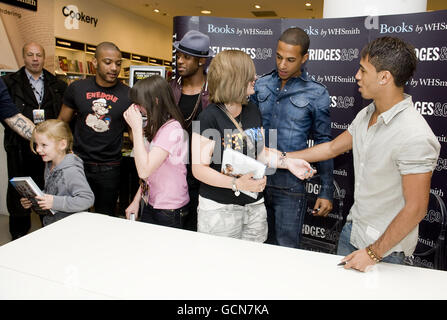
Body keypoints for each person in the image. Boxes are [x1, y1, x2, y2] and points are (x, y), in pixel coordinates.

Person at [288, 36, 440, 272]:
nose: (357, 76)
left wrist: (372, 253)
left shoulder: (415, 134)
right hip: (352, 232)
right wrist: (282, 157)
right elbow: (331, 148)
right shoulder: (366, 114)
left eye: (362, 70)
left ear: (384, 77)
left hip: (386, 251)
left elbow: (416, 208)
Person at [192, 49, 315, 242]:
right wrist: (236, 184)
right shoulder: (208, 117)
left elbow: (260, 152)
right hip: (220, 210)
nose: (255, 78)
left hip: (254, 207)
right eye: (249, 74)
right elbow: (199, 169)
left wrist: (288, 162)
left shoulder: (252, 111)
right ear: (234, 79)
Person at [251, 27, 334, 249]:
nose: (282, 65)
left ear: (304, 58)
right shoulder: (260, 84)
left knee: (286, 250)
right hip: (255, 180)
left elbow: (324, 143)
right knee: (253, 246)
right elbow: (247, 131)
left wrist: (326, 191)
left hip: (290, 186)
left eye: (290, 59)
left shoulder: (317, 93)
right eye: (278, 57)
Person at [2, 42, 67, 240]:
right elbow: (9, 116)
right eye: (30, 54)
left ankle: (49, 237)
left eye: (38, 55)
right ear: (24, 57)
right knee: (19, 197)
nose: (35, 59)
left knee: (48, 193)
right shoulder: (8, 83)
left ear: (44, 57)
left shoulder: (58, 84)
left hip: (51, 152)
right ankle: (19, 237)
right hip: (19, 150)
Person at [58, 42, 131, 216]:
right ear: (95, 62)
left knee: (104, 217)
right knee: (74, 215)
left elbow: (134, 131)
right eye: (108, 62)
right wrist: (63, 154)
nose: (114, 68)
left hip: (110, 167)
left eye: (118, 63)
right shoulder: (77, 88)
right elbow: (62, 122)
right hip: (79, 163)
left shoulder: (128, 94)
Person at [124, 75, 189, 228]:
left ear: (156, 101)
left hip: (169, 209)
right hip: (152, 202)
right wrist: (136, 201)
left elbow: (144, 170)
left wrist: (137, 129)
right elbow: (149, 174)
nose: (137, 108)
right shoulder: (156, 127)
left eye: (140, 103)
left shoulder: (172, 129)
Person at [170, 30, 212, 231]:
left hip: (203, 173)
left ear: (201, 61)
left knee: (199, 229)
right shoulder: (170, 89)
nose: (180, 61)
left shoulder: (213, 93)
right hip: (173, 172)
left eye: (187, 57)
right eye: (178, 56)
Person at [19, 119, 94, 226]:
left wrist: (54, 202)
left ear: (62, 144)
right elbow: (53, 191)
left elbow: (87, 199)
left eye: (44, 145)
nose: (38, 149)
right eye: (37, 144)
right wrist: (34, 200)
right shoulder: (49, 164)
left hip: (70, 228)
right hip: (52, 224)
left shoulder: (71, 170)